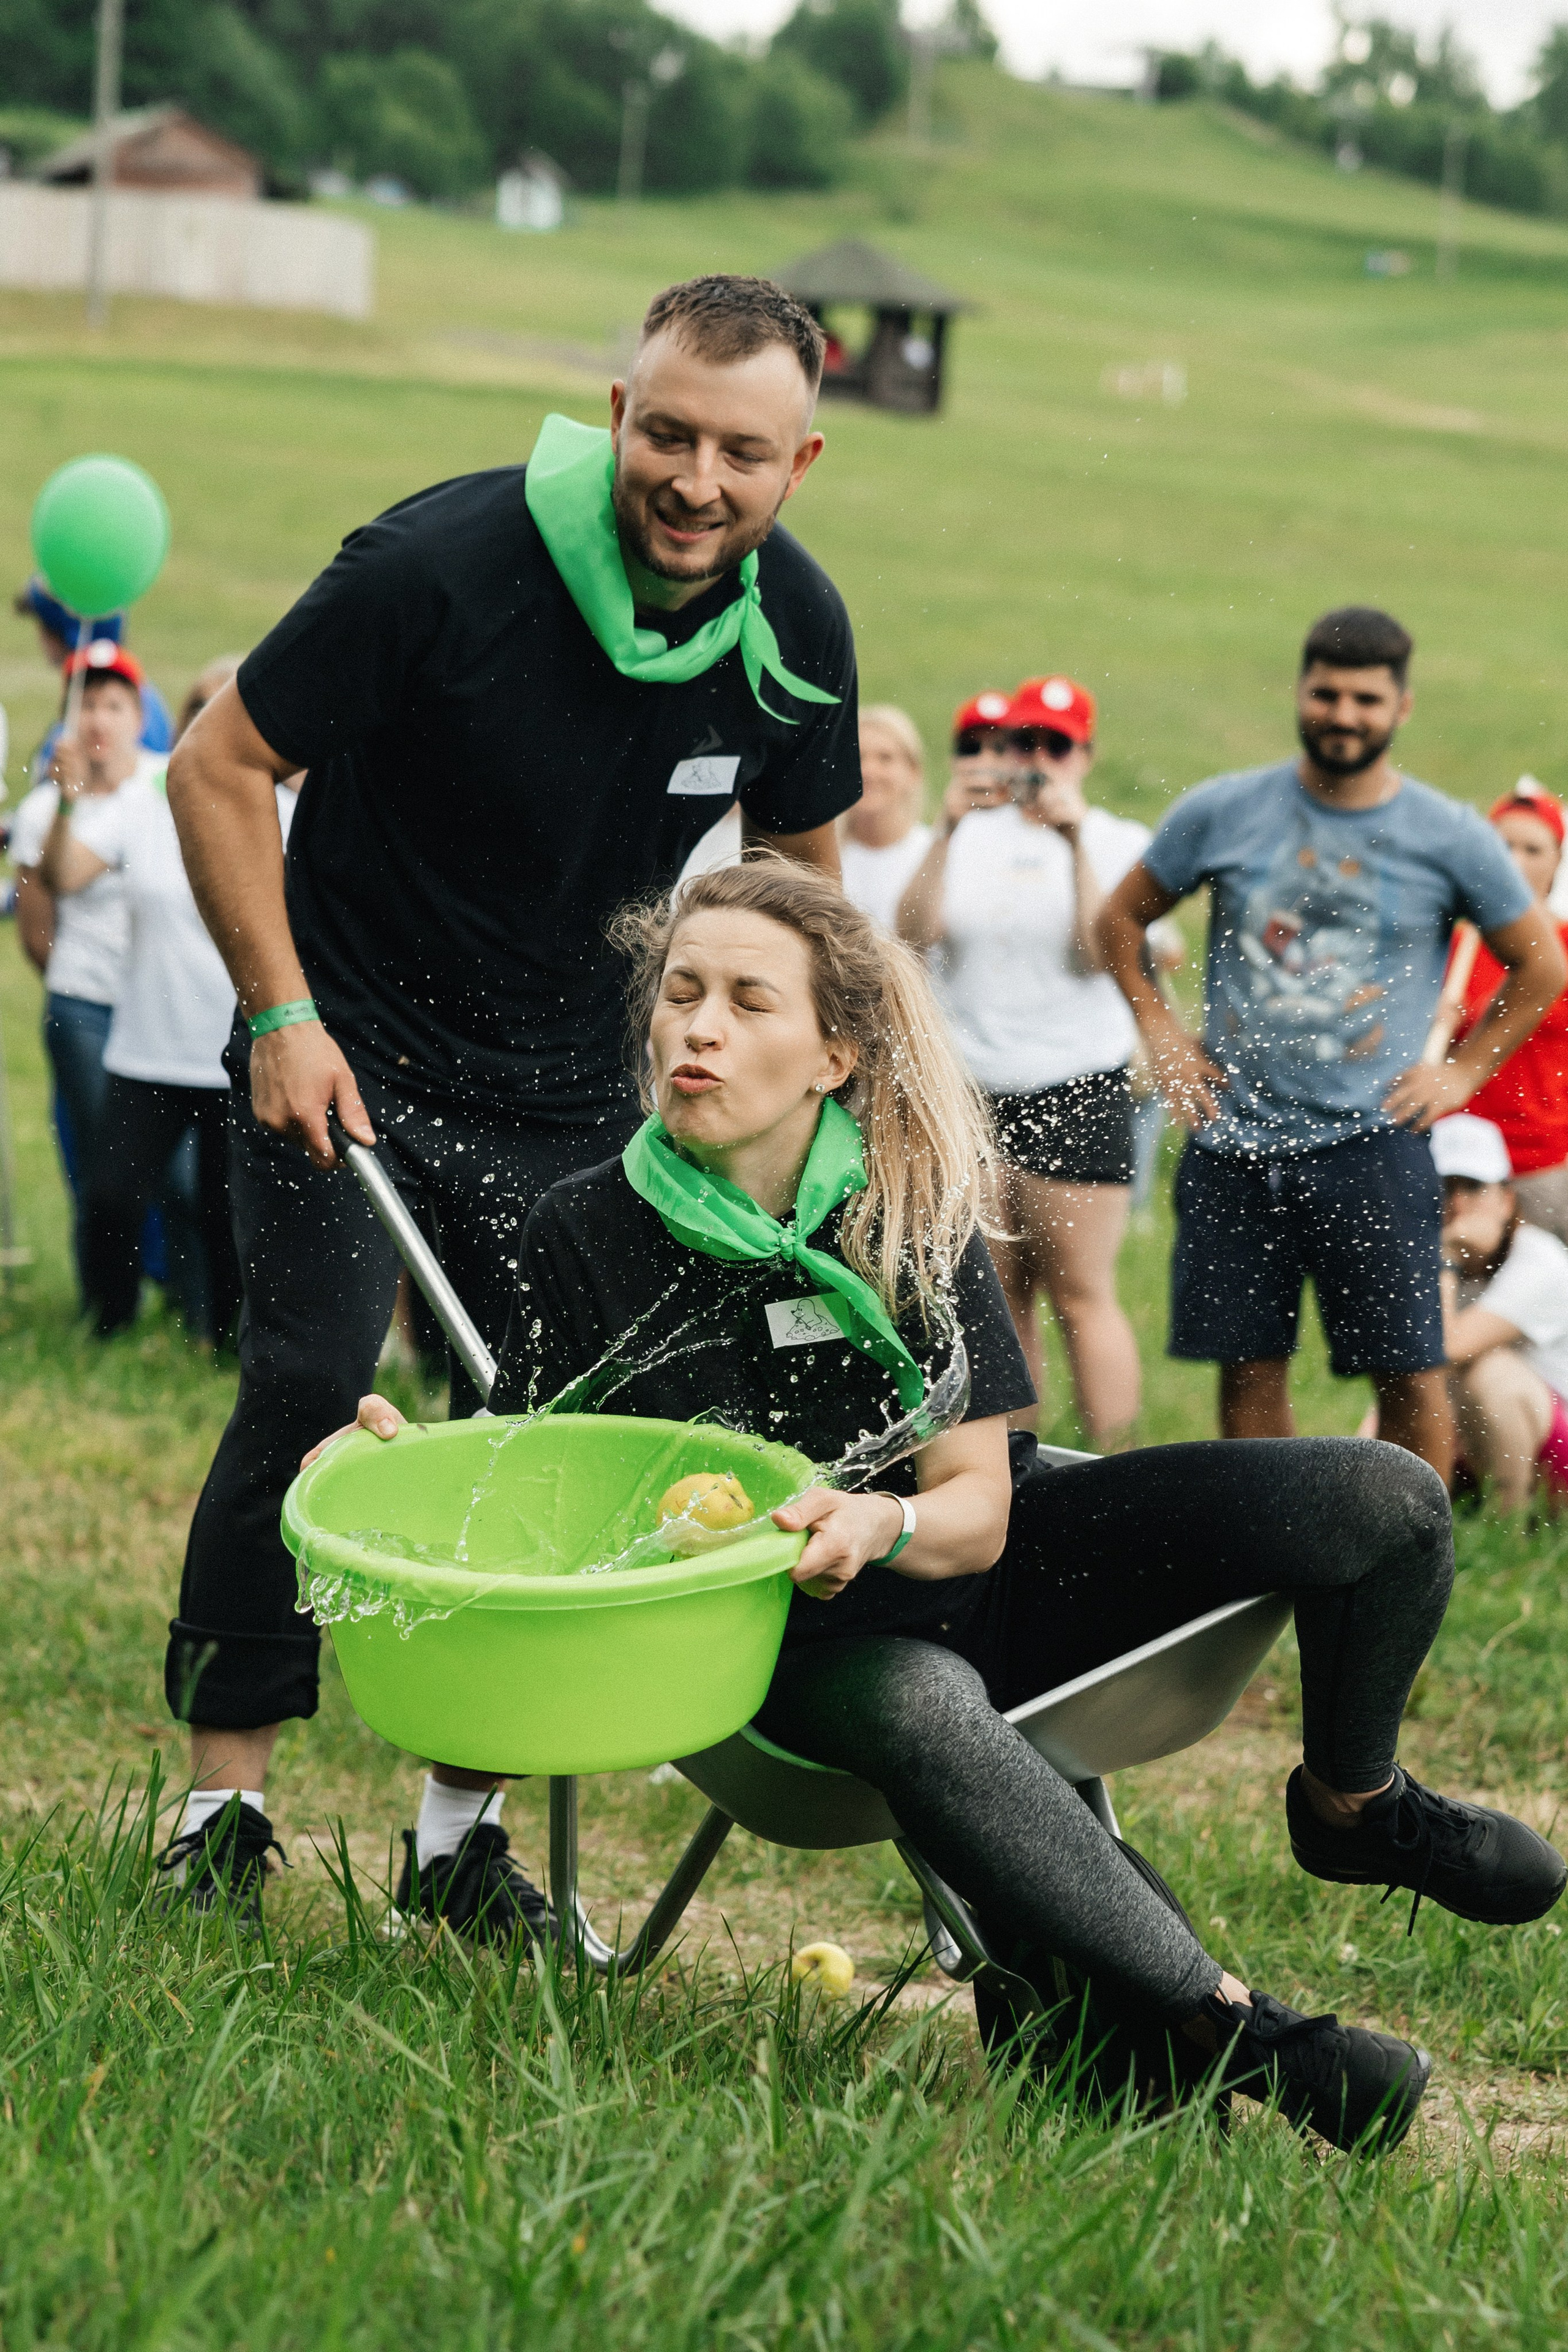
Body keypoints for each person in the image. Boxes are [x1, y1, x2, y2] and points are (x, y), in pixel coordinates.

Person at [320, 861, 1565, 2151]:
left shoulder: (906, 1201)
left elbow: (976, 1507)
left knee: (1381, 1494)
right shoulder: (582, 1230)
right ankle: (1248, 2035)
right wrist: (393, 1462)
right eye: (682, 994)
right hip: (778, 1645)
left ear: (833, 1056)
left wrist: (884, 1522)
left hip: (973, 1565)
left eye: (749, 1001)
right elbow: (522, 1502)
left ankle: (1354, 1807)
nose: (699, 1028)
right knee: (923, 1702)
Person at [154, 274, 863, 1926]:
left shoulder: (797, 629)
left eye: (741, 453)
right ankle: (217, 1808)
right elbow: (217, 765)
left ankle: (453, 1841)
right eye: (667, 434)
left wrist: (795, 1085)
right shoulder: (440, 567)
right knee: (311, 1381)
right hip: (350, 1055)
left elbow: (801, 884)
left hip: (574, 1095)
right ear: (617, 414)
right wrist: (280, 1016)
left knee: (539, 1433)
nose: (696, 480)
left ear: (799, 463)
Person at [1099, 607, 1567, 1480]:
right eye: (1327, 695)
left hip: (1374, 1143)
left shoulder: (1448, 834)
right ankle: (1274, 1544)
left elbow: (1539, 964)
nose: (1343, 715)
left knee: (1410, 1372)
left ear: (1401, 708)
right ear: (1301, 692)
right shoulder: (1224, 811)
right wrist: (1160, 1033)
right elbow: (1119, 920)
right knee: (1249, 1371)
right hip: (1234, 1142)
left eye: (1365, 699)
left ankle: (1409, 1544)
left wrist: (1463, 1071)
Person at [900, 676, 1148, 1446]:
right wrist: (945, 829)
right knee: (998, 1293)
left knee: (1080, 1292)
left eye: (1055, 746)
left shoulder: (1116, 841)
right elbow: (911, 935)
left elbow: (1099, 955)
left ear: (1085, 756)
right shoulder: (969, 834)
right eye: (1020, 743)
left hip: (1074, 1083)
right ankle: (1019, 1466)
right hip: (974, 1088)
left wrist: (1073, 844)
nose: (1036, 761)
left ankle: (1112, 1467)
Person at [39, 668, 241, 1348]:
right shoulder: (151, 795)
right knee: (111, 1198)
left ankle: (223, 1342)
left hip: (229, 1052)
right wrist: (65, 803)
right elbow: (65, 877)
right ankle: (109, 1328)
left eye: (227, 707)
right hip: (147, 1048)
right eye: (199, 707)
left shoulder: (275, 805)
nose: (211, 719)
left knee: (223, 1210)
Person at [6, 644, 167, 1298]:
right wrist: (67, 803)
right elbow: (38, 924)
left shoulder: (162, 785)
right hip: (85, 1005)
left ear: (138, 717)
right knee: (107, 1161)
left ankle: (186, 1292)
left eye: (114, 704)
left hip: (162, 1002)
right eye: (87, 705)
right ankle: (109, 1303)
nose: (98, 718)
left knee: (182, 1170)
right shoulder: (42, 811)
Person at [1442, 780, 1568, 1246]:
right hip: (1460, 1160)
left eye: (1532, 850)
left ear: (1557, 861)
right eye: (1503, 846)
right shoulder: (1453, 949)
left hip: (1542, 1158)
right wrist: (1435, 1023)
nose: (1515, 861)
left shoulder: (1565, 947)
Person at [1432, 1113, 1568, 1512]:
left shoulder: (1541, 1259)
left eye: (1473, 1186)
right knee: (1410, 1390)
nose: (1457, 1204)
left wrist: (1446, 1259)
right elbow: (1411, 1373)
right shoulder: (1435, 1263)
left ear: (1507, 1200)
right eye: (1444, 1187)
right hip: (1483, 1444)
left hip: (1556, 1455)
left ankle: (1506, 1528)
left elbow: (1444, 1349)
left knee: (1489, 1371)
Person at [13, 581, 174, 774]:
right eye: (88, 705)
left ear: (61, 633)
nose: (100, 722)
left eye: (44, 627)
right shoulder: (140, 697)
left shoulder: (75, 731)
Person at [838, 704, 932, 931]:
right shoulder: (825, 852)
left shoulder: (932, 852)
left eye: (885, 758)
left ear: (913, 772)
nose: (868, 771)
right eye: (858, 757)